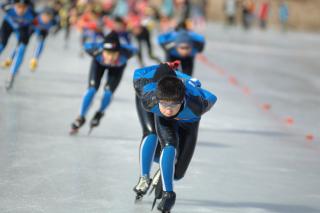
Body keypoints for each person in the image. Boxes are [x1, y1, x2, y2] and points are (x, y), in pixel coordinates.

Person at [133, 62, 217, 212]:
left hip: (188, 123)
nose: (168, 110)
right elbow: (138, 73)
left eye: (173, 105)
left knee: (177, 174)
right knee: (165, 142)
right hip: (161, 111)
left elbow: (213, 97)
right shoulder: (149, 99)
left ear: (182, 99)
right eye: (164, 105)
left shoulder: (197, 104)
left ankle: (166, 168)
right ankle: (152, 182)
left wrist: (186, 79)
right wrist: (163, 66)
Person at [70, 31, 137, 134]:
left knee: (108, 92)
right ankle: (81, 117)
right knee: (91, 90)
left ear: (119, 52)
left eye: (114, 54)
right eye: (107, 54)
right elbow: (86, 44)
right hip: (98, 65)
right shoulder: (95, 49)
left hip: (117, 69)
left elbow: (135, 48)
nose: (110, 58)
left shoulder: (127, 52)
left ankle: (100, 113)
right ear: (102, 50)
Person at [0, 0, 35, 90]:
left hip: (23, 27)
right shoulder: (7, 7)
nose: (20, 10)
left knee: (22, 49)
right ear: (14, 5)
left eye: (23, 8)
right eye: (18, 7)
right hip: (8, 25)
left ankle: (12, 75)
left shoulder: (32, 13)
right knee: (2, 45)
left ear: (27, 7)